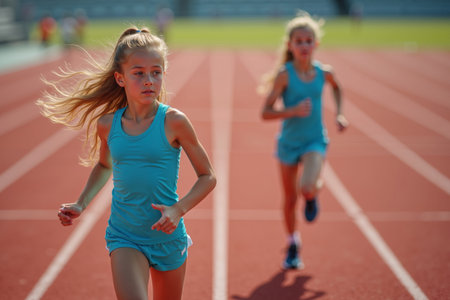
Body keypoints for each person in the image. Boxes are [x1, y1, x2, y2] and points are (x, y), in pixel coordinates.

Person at [37, 27, 216, 300]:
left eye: (156, 72)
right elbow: (105, 165)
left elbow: (208, 176)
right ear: (120, 78)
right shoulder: (108, 124)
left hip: (167, 238)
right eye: (139, 73)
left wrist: (178, 210)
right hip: (125, 235)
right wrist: (81, 203)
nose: (149, 80)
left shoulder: (174, 121)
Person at [259, 11, 348, 270]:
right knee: (289, 199)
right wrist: (292, 111)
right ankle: (292, 243)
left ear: (316, 44)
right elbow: (265, 113)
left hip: (314, 141)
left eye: (308, 40)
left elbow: (338, 87)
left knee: (307, 187)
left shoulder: (324, 72)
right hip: (288, 143)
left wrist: (340, 113)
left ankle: (312, 193)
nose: (304, 45)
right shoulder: (285, 75)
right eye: (298, 41)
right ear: (290, 45)